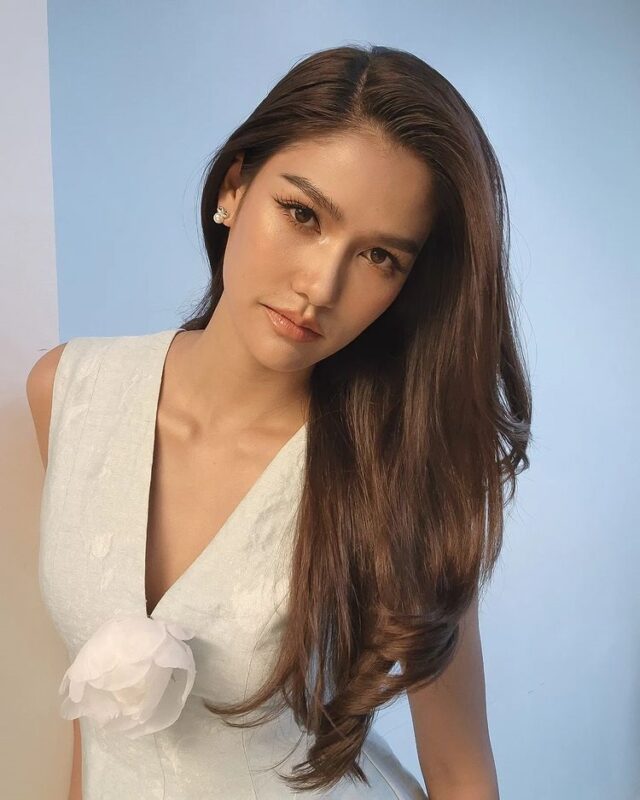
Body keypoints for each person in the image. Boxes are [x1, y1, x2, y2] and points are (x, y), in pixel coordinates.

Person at [27, 43, 530, 799]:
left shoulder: (397, 476)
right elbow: (96, 724)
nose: (320, 286)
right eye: (302, 214)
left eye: (379, 257)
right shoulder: (68, 393)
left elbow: (460, 771)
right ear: (234, 187)